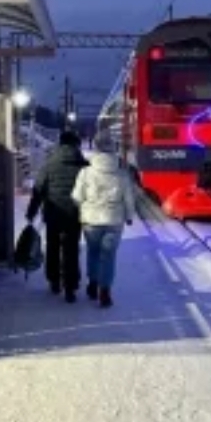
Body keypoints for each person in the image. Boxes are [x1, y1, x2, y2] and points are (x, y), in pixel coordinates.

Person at [71, 132, 135, 308]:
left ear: (95, 149)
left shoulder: (85, 173)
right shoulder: (121, 174)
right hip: (113, 222)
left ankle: (93, 283)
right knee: (108, 256)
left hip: (90, 221)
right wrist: (129, 216)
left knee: (92, 252)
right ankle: (105, 290)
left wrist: (82, 209)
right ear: (113, 149)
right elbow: (128, 198)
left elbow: (77, 197)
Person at [26, 130, 89, 302]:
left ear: (60, 144)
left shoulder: (49, 164)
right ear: (76, 145)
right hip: (75, 215)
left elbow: (38, 190)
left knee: (53, 247)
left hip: (53, 214)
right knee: (71, 250)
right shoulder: (83, 165)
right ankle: (70, 287)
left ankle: (54, 281)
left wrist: (31, 212)